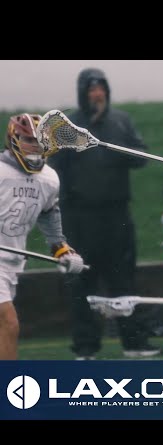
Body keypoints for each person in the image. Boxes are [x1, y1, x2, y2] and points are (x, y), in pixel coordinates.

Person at [48, 67, 160, 359]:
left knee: (124, 278)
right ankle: (86, 346)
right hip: (80, 217)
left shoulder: (121, 121)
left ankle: (134, 343)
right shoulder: (69, 125)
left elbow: (140, 157)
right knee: (81, 281)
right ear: (83, 94)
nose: (97, 95)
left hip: (116, 215)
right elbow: (55, 168)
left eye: (101, 89)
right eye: (92, 90)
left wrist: (115, 148)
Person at [0, 114, 86, 360]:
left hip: (12, 262)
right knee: (8, 323)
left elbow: (49, 213)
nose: (34, 146)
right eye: (28, 140)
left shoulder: (49, 178)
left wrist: (60, 247)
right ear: (13, 139)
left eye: (39, 141)